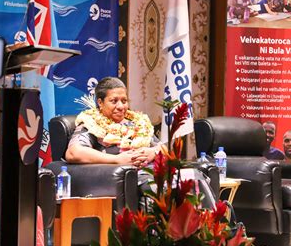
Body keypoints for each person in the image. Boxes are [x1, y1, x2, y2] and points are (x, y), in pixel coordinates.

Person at [66, 77, 217, 208]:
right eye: (113, 101)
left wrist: (152, 152)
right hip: (130, 177)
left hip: (154, 171)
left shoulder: (137, 122)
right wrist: (117, 160)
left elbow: (162, 148)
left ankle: (212, 229)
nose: (120, 106)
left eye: (124, 101)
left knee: (194, 175)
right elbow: (74, 152)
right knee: (165, 187)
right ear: (100, 102)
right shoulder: (91, 123)